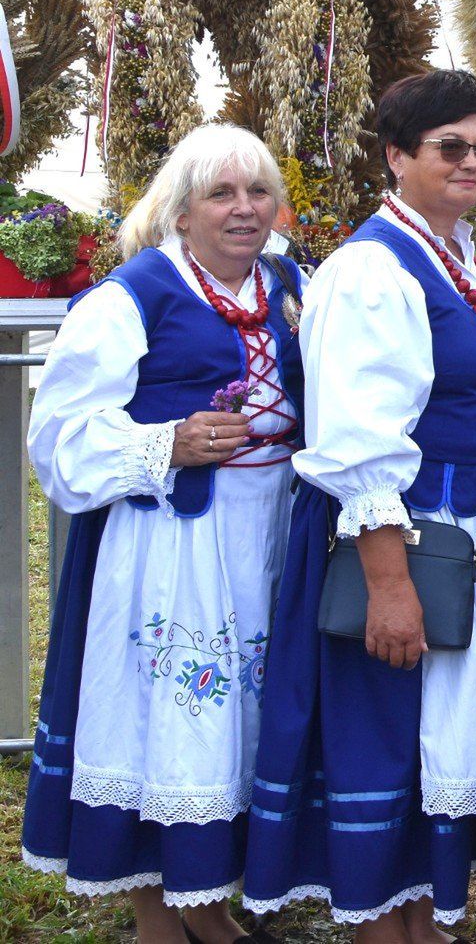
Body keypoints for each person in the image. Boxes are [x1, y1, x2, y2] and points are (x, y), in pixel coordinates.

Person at [244, 70, 476, 941]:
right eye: (450, 147)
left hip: (452, 530)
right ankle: (377, 926)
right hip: (391, 538)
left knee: (429, 737)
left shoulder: (467, 264)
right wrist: (390, 583)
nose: (471, 162)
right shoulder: (370, 270)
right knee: (384, 732)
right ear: (397, 157)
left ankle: (417, 920)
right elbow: (357, 436)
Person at [22, 124, 301, 943]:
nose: (244, 209)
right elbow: (60, 437)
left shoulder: (290, 283)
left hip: (269, 535)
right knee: (169, 721)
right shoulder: (131, 297)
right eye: (222, 194)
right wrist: (165, 443)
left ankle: (209, 902)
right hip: (173, 547)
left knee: (236, 728)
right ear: (181, 213)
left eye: (257, 192)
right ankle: (161, 918)